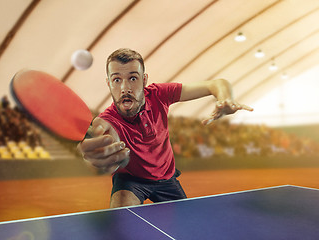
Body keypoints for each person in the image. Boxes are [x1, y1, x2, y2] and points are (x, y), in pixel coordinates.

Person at [77, 48, 253, 208]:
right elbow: (102, 137)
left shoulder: (159, 94)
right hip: (130, 181)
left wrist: (225, 98)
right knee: (121, 218)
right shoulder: (106, 121)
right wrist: (95, 156)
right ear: (108, 83)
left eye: (132, 78)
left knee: (188, 227)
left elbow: (216, 83)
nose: (125, 88)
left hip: (166, 178)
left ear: (144, 80)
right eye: (117, 80)